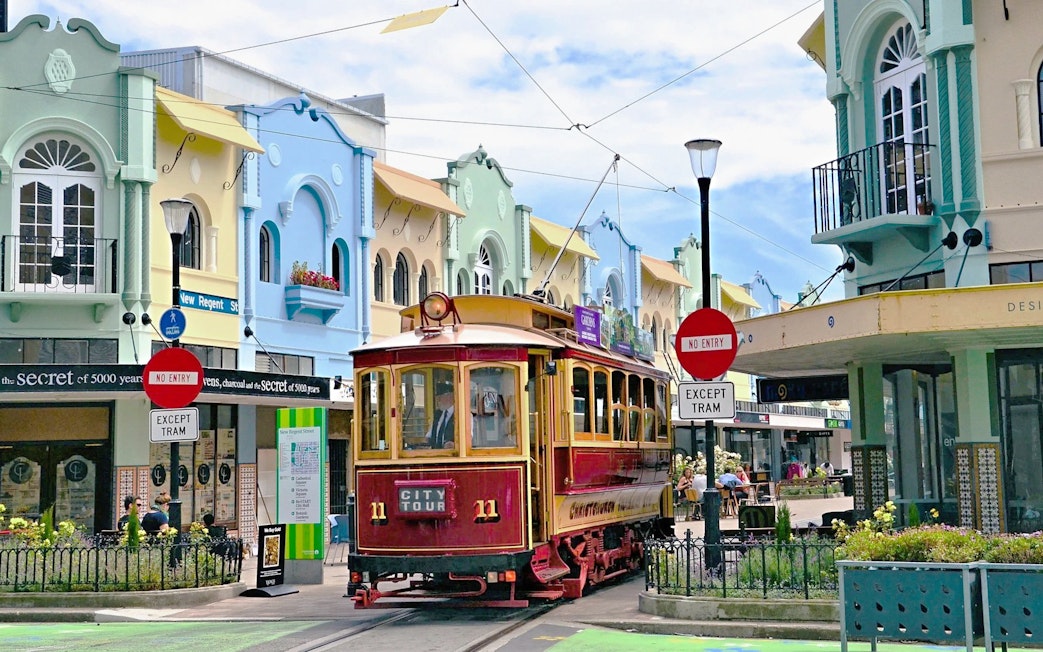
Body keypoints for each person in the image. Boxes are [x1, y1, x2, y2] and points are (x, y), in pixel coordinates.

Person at [427, 384, 456, 448]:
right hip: (436, 454)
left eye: (439, 398)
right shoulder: (438, 414)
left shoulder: (461, 415)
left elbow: (468, 438)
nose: (438, 401)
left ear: (449, 397)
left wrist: (454, 444)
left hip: (452, 455)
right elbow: (429, 436)